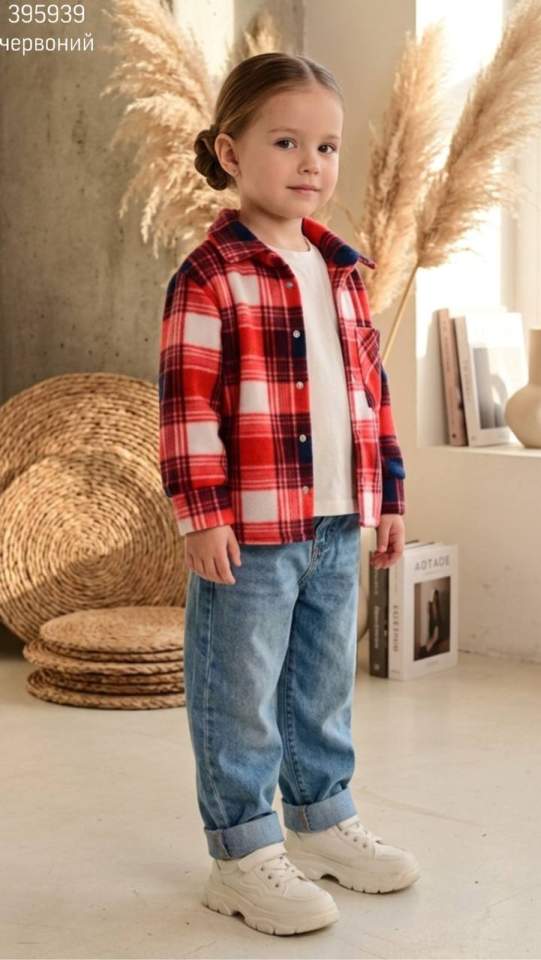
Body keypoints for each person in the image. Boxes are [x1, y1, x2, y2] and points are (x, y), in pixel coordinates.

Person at [158, 51, 420, 937]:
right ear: (230, 153)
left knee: (320, 684)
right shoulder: (210, 275)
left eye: (327, 147)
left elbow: (371, 394)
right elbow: (187, 406)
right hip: (252, 530)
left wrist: (388, 494)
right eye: (286, 142)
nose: (311, 163)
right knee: (238, 690)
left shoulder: (341, 270)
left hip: (336, 523)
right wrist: (201, 515)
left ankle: (320, 821)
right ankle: (240, 852)